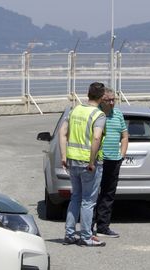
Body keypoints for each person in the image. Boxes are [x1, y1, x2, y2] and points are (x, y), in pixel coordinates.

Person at [59, 82, 107, 247]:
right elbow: (96, 138)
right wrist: (92, 161)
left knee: (75, 198)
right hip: (89, 163)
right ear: (102, 97)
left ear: (88, 94)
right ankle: (86, 237)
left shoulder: (75, 110)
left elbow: (62, 132)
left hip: (72, 161)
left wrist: (64, 156)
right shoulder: (98, 115)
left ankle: (69, 234)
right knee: (88, 201)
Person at [93, 87, 128, 238]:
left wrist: (122, 155)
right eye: (109, 100)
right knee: (93, 194)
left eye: (114, 99)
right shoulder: (96, 114)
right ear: (102, 100)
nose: (112, 103)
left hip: (114, 160)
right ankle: (88, 227)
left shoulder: (118, 114)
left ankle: (103, 226)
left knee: (108, 194)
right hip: (98, 159)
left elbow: (125, 136)